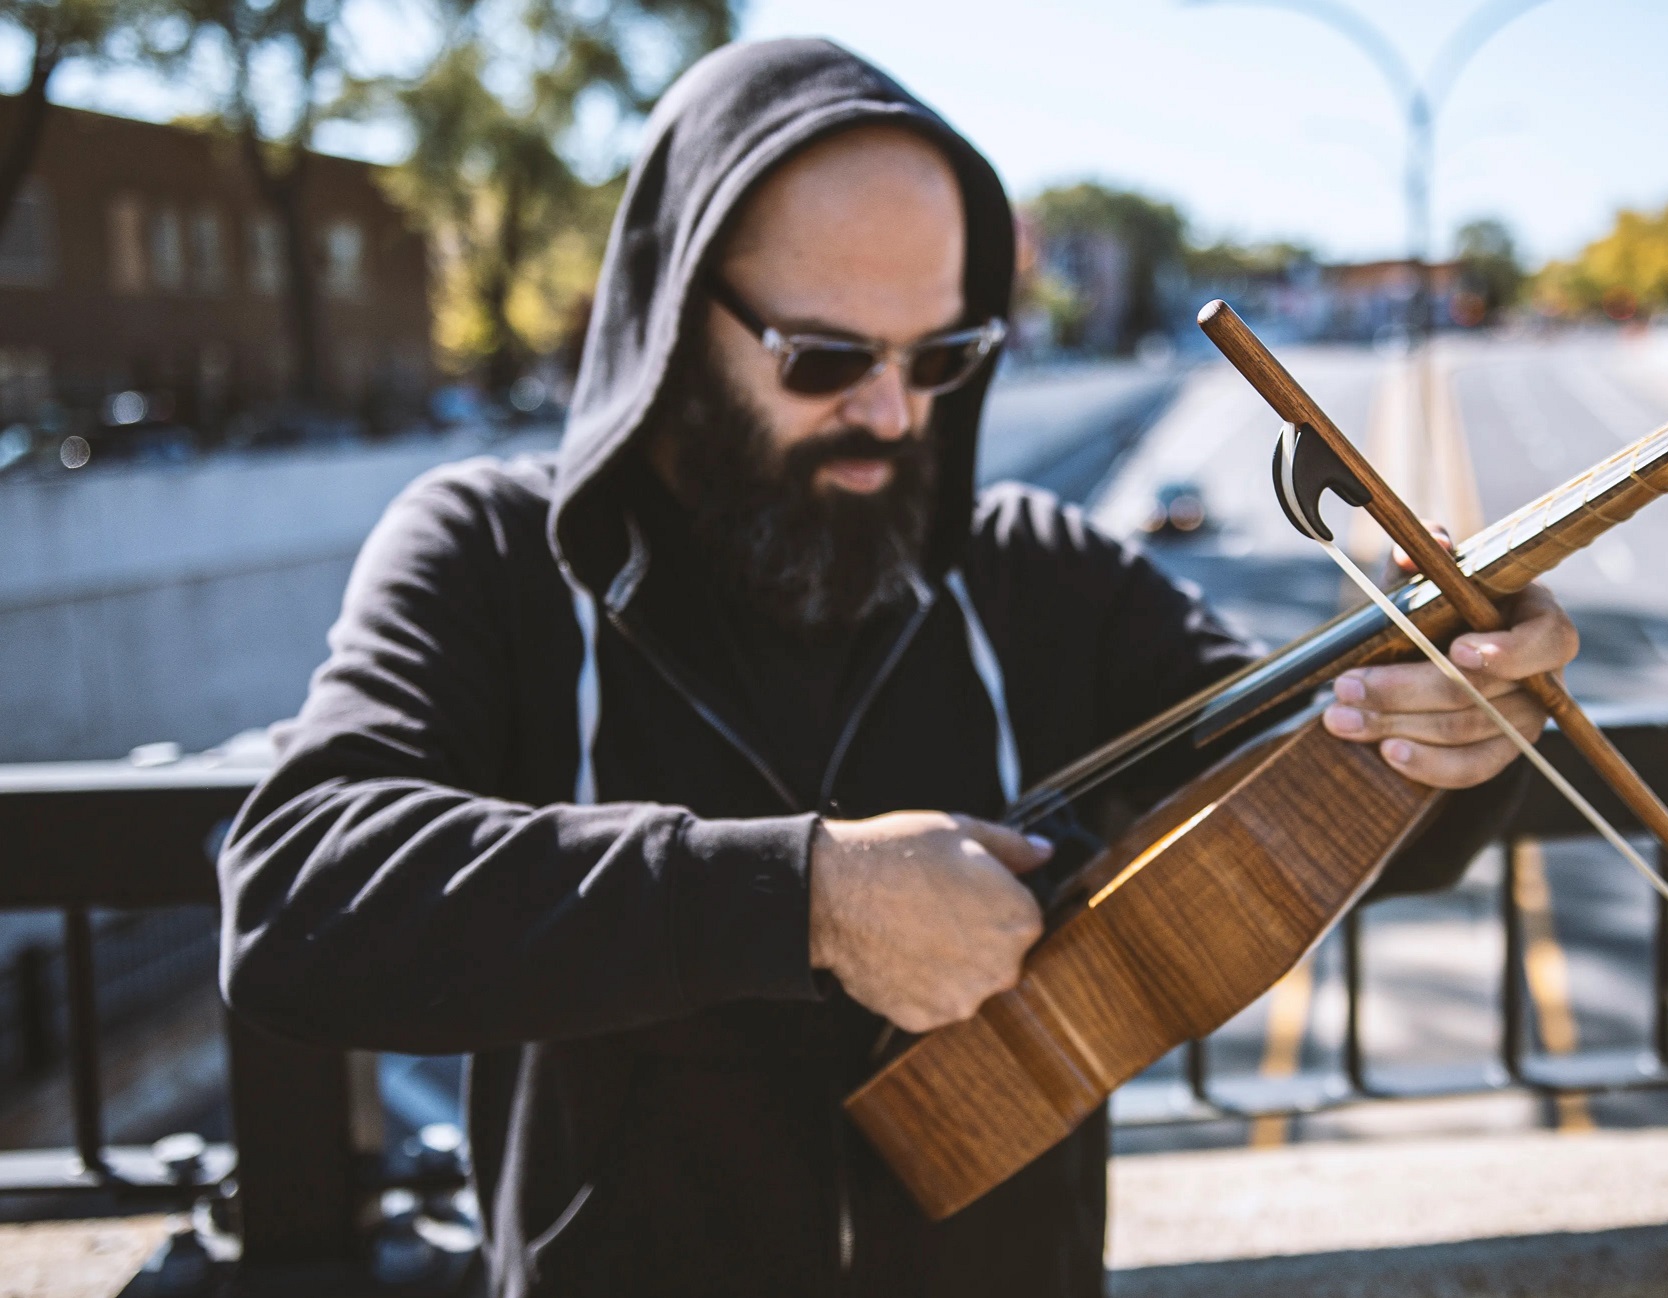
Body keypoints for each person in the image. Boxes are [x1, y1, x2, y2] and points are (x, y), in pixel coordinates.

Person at [216, 39, 1576, 1298]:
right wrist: (806, 897)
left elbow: (1329, 798)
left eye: (942, 356)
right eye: (823, 357)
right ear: (675, 321)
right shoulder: (497, 555)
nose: (890, 411)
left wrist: (1453, 726)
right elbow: (298, 895)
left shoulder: (1037, 569)